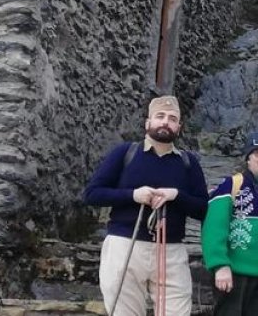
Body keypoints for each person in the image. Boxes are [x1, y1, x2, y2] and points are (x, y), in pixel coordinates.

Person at [83, 96, 208, 316]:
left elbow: (203, 209)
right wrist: (133, 195)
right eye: (160, 116)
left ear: (178, 127)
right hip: (125, 246)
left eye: (172, 118)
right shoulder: (125, 153)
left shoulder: (188, 163)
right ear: (148, 122)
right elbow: (92, 194)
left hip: (171, 251)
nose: (165, 122)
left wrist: (176, 195)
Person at [202, 128, 258, 316]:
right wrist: (219, 265)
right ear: (248, 158)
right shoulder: (231, 185)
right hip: (234, 273)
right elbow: (213, 227)